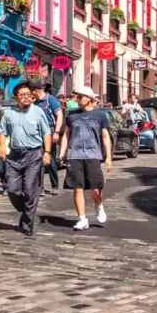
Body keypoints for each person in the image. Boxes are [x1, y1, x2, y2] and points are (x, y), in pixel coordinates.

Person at [0, 83, 52, 236]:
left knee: (29, 190)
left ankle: (27, 224)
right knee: (12, 190)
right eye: (23, 95)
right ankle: (26, 210)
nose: (27, 97)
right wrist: (2, 147)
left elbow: (46, 133)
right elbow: (2, 131)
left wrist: (47, 152)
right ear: (16, 97)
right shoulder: (9, 114)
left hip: (33, 155)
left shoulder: (38, 112)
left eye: (28, 94)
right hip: (14, 156)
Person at [59, 86, 112, 231]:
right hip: (75, 155)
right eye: (76, 96)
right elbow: (66, 135)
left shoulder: (100, 115)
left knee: (95, 189)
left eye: (80, 96)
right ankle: (82, 219)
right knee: (77, 189)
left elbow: (105, 136)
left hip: (93, 155)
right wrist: (62, 153)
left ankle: (98, 205)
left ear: (89, 98)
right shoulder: (72, 115)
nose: (77, 99)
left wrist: (108, 156)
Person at [32, 85, 64, 195]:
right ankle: (40, 187)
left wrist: (56, 131)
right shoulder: (35, 103)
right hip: (37, 131)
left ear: (37, 91)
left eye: (32, 93)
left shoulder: (50, 99)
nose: (31, 95)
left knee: (50, 160)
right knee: (38, 160)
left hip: (50, 130)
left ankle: (55, 186)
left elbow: (59, 115)